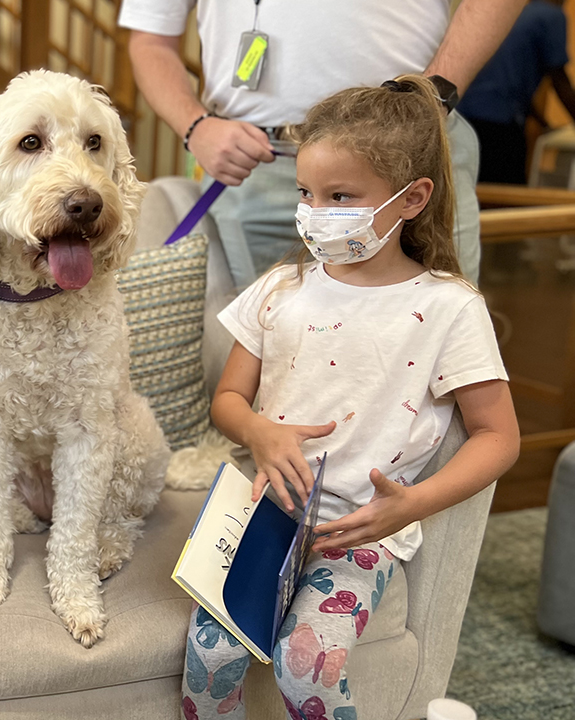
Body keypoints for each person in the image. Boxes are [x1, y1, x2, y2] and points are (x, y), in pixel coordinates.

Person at [184, 75, 519, 720]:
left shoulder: (449, 308)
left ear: (412, 198)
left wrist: (411, 505)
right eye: (307, 193)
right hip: (266, 516)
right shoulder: (281, 287)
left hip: (361, 531)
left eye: (340, 195)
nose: (314, 210)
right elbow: (228, 398)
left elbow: (498, 436)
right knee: (210, 661)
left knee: (309, 666)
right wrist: (259, 432)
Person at [121, 0, 529, 289]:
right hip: (257, 165)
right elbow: (150, 40)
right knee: (277, 359)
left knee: (437, 352)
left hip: (409, 149)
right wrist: (196, 127)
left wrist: (434, 95)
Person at [458, 0, 575, 184]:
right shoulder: (550, 16)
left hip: (463, 116)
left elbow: (509, 82)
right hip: (498, 125)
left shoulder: (515, 14)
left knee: (471, 189)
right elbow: (559, 79)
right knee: (506, 194)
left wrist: (544, 124)